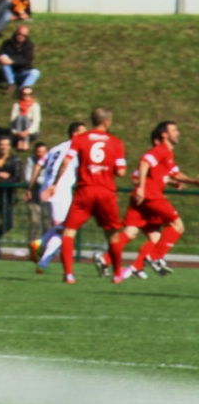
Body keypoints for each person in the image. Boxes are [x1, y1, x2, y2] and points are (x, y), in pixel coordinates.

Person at [97, 121, 199, 279]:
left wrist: (193, 181)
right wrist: (142, 187)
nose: (177, 132)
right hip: (151, 195)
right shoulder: (161, 150)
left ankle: (108, 260)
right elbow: (144, 161)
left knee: (135, 233)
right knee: (177, 225)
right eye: (174, 130)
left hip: (142, 198)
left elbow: (175, 174)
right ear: (164, 135)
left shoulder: (167, 154)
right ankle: (154, 258)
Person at [42, 108, 127, 285]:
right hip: (105, 191)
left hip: (85, 191)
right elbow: (121, 171)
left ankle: (69, 275)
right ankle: (117, 273)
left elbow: (66, 161)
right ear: (107, 121)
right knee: (113, 235)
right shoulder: (116, 142)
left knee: (68, 232)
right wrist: (106, 168)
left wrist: (55, 183)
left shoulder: (80, 139)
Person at [28, 122, 86, 274]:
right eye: (83, 132)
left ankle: (40, 243)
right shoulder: (76, 149)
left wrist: (30, 188)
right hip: (59, 190)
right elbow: (70, 166)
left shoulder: (56, 148)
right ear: (75, 134)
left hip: (47, 189)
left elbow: (38, 164)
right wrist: (56, 184)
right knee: (64, 230)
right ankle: (44, 261)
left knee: (61, 226)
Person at [0, 25, 40, 93]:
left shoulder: (29, 45)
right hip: (10, 71)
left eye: (23, 35)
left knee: (36, 72)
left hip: (23, 71)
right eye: (19, 34)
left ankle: (23, 88)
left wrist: (13, 61)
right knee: (4, 56)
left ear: (26, 36)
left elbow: (27, 60)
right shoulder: (7, 43)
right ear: (16, 33)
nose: (21, 36)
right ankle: (10, 83)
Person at [22, 141, 50, 244]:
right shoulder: (30, 160)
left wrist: (37, 179)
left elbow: (51, 177)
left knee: (47, 223)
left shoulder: (50, 161)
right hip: (34, 196)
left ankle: (46, 246)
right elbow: (27, 177)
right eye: (38, 152)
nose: (41, 154)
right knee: (35, 222)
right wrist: (40, 180)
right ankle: (33, 247)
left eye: (43, 152)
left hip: (47, 197)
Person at [10, 86, 41, 151]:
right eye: (24, 94)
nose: (26, 96)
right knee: (20, 116)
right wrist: (16, 132)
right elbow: (12, 121)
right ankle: (20, 141)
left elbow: (36, 122)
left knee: (25, 118)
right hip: (18, 132)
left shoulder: (35, 105)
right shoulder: (16, 105)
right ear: (21, 94)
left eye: (29, 94)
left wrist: (27, 132)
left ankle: (25, 142)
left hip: (31, 132)